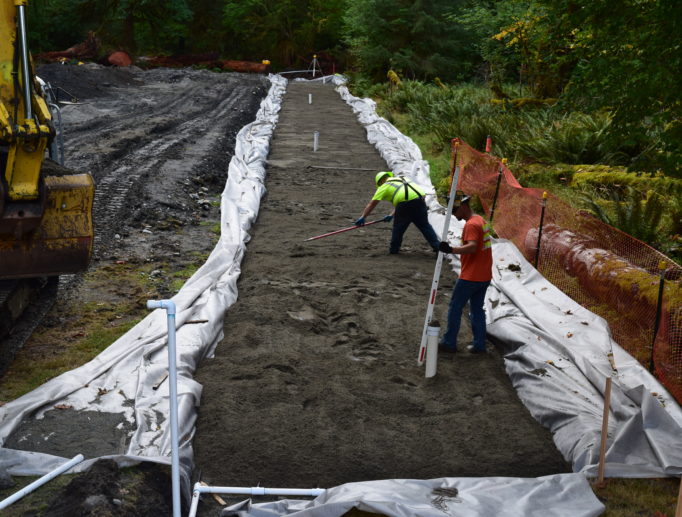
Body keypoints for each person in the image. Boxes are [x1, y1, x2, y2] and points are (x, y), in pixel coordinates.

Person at [438, 193, 493, 354]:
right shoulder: (480, 220)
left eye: (454, 211)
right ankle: (479, 345)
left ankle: (449, 342)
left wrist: (451, 249)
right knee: (477, 309)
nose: (454, 215)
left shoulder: (471, 225)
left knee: (455, 307)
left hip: (471, 277)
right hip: (484, 275)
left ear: (463, 206)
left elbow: (472, 246)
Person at [355, 171, 440, 254]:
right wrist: (391, 215)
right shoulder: (403, 178)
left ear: (380, 181)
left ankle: (394, 250)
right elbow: (407, 197)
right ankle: (437, 247)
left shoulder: (384, 186)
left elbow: (372, 204)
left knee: (398, 228)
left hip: (405, 204)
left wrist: (363, 217)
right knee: (425, 226)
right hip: (420, 201)